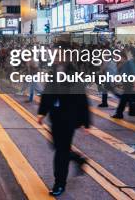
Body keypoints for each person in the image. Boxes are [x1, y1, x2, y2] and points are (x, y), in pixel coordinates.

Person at [37, 62, 89, 197]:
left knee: (61, 152)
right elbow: (47, 93)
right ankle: (78, 159)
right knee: (56, 146)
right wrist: (42, 112)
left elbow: (82, 99)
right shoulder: (53, 72)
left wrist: (86, 121)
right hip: (55, 118)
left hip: (69, 120)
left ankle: (59, 184)